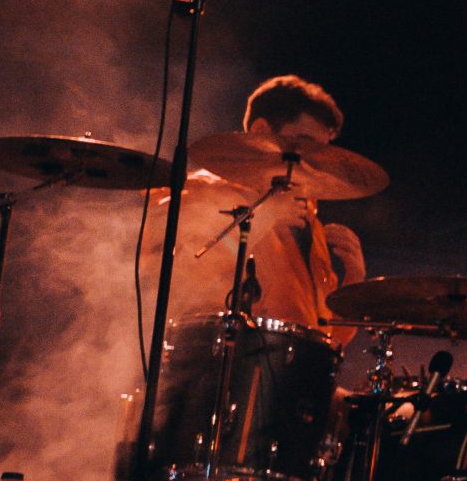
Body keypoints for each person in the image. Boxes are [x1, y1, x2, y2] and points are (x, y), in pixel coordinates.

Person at [143, 75, 367, 338]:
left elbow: (327, 341)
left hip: (285, 363)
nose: (311, 161)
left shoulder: (309, 224)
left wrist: (354, 277)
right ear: (260, 131)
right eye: (304, 144)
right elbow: (172, 281)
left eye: (320, 152)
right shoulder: (199, 192)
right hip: (214, 357)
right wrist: (262, 220)